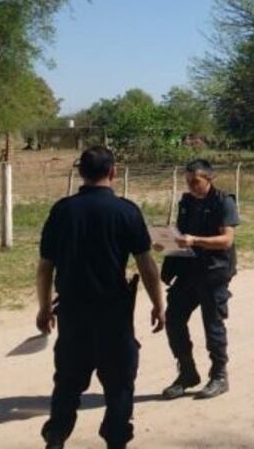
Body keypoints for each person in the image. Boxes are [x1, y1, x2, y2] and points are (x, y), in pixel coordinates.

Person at [37, 146, 165, 449]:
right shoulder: (127, 211)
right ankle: (116, 441)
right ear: (113, 171)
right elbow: (146, 264)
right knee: (120, 384)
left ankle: (56, 438)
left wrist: (44, 308)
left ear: (80, 172)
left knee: (67, 382)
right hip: (114, 316)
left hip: (72, 312)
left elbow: (45, 268)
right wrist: (160, 304)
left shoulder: (62, 210)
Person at [161, 159, 239, 400]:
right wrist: (164, 242)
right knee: (173, 319)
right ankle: (187, 373)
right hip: (187, 272)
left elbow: (227, 240)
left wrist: (195, 240)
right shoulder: (186, 202)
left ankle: (219, 376)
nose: (191, 186)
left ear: (209, 179)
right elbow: (180, 235)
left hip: (214, 272)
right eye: (188, 182)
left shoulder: (224, 202)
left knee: (212, 324)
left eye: (195, 181)